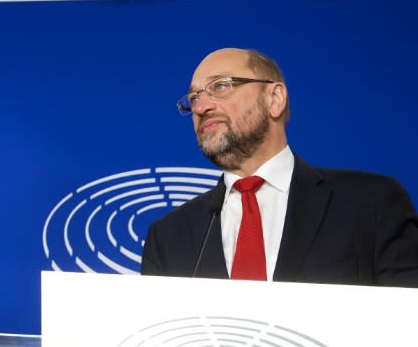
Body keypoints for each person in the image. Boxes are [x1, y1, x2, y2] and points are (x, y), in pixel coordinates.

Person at [142, 47, 418, 286]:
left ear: (274, 98)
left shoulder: (371, 203)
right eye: (193, 99)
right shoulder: (168, 236)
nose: (201, 107)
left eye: (220, 86)